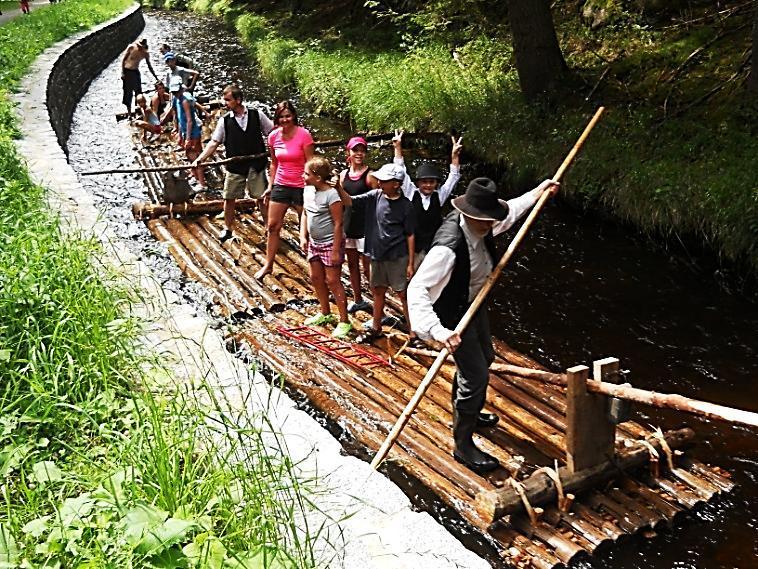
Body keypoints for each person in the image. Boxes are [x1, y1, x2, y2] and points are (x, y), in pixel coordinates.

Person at [407, 177, 559, 474]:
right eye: (486, 220)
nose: (492, 224)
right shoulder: (448, 248)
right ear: (469, 215)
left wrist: (539, 190)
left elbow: (510, 213)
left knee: (485, 359)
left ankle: (469, 411)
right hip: (451, 315)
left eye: (492, 219)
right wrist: (439, 332)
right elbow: (417, 290)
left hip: (474, 304)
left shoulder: (484, 225)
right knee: (476, 375)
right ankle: (462, 443)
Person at [338, 163, 416, 343]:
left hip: (397, 256)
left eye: (384, 180)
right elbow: (350, 201)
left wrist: (410, 263)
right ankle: (376, 327)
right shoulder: (375, 196)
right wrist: (337, 187)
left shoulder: (406, 206)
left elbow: (411, 235)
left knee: (403, 294)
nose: (379, 182)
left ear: (396, 184)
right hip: (377, 255)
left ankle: (413, 333)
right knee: (377, 291)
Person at [191, 84, 274, 240]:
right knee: (229, 198)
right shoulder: (224, 121)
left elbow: (272, 133)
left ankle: (269, 228)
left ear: (238, 99)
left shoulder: (257, 115)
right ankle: (228, 229)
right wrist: (200, 159)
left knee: (261, 198)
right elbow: (214, 142)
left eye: (228, 100)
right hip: (235, 167)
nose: (225, 103)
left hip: (256, 164)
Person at [254, 101, 314, 280]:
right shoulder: (273, 137)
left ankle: (314, 266)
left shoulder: (304, 135)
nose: (285, 120)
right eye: (281, 117)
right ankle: (268, 264)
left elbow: (311, 163)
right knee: (272, 226)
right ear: (277, 118)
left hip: (302, 185)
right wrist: (270, 186)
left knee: (307, 229)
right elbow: (274, 163)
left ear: (294, 116)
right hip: (281, 184)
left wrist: (313, 188)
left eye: (288, 116)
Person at [300, 156, 352, 339]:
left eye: (306, 173)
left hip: (330, 243)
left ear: (318, 177)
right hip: (314, 243)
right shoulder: (307, 191)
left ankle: (344, 320)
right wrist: (302, 235)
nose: (302, 176)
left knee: (333, 280)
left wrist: (337, 250)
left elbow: (339, 223)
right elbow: (305, 214)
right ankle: (325, 312)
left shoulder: (331, 195)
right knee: (315, 277)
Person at [394, 132, 463, 269]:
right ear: (418, 183)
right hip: (412, 247)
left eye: (431, 182)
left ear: (436, 183)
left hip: (432, 247)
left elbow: (453, 177)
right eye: (424, 182)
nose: (428, 185)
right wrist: (397, 147)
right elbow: (400, 170)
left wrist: (454, 156)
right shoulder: (411, 193)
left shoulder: (440, 196)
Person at [339, 136, 379, 315]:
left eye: (362, 150)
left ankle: (379, 305)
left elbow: (379, 201)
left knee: (368, 267)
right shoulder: (342, 175)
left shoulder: (370, 176)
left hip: (365, 227)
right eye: (356, 150)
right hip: (349, 225)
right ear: (349, 152)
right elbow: (339, 200)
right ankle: (358, 299)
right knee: (352, 264)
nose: (359, 153)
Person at [164, 76, 205, 187]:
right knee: (189, 155)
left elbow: (189, 121)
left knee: (195, 156)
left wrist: (187, 138)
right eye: (174, 92)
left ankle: (202, 183)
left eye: (177, 91)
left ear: (181, 89)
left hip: (192, 133)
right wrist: (180, 133)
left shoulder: (185, 101)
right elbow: (179, 117)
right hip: (185, 131)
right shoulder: (176, 100)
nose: (176, 93)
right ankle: (195, 176)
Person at [121, 38, 158, 115]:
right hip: (127, 71)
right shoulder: (131, 47)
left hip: (135, 72)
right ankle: (129, 113)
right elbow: (123, 60)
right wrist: (122, 73)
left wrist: (156, 77)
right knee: (128, 93)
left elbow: (149, 66)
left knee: (138, 92)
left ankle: (138, 109)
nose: (139, 47)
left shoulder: (145, 53)